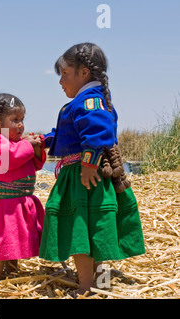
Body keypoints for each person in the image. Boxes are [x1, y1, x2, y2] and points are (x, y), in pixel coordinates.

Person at [39, 43, 145, 296]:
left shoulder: (89, 102)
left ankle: (86, 287)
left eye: (65, 73)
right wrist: (43, 141)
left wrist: (87, 164)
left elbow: (98, 133)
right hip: (89, 175)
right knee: (94, 228)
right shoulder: (90, 101)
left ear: (83, 73)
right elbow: (71, 135)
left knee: (80, 229)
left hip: (82, 178)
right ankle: (98, 283)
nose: (61, 81)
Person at [0, 93, 46, 282]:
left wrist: (37, 149)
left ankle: (12, 273)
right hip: (6, 206)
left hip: (21, 201)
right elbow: (9, 159)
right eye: (15, 119)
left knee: (15, 242)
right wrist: (26, 145)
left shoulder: (16, 143)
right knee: (3, 241)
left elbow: (33, 165)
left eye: (22, 119)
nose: (21, 124)